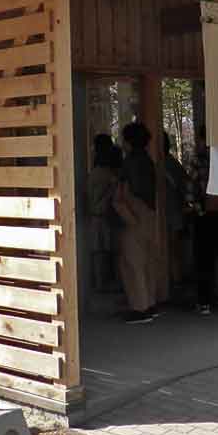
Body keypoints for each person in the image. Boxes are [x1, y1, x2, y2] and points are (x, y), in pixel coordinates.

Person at [186, 124, 218, 316]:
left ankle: (204, 302)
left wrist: (197, 210)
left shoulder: (198, 160)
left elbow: (190, 190)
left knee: (204, 260)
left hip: (205, 215)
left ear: (201, 139)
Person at [114, 121, 158, 324]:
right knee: (146, 260)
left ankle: (139, 308)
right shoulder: (148, 161)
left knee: (132, 263)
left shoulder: (129, 162)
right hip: (149, 213)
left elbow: (122, 193)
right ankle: (149, 303)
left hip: (132, 212)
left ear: (128, 141)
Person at [87, 135, 122, 289]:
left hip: (95, 216)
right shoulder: (110, 174)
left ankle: (100, 283)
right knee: (108, 251)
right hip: (105, 216)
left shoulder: (93, 173)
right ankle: (109, 283)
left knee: (98, 252)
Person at [163, 132, 190, 289]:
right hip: (175, 213)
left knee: (170, 249)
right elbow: (185, 186)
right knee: (174, 249)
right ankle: (176, 279)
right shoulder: (174, 164)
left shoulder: (160, 164)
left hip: (168, 213)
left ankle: (170, 280)